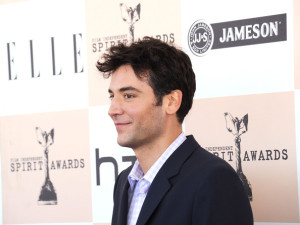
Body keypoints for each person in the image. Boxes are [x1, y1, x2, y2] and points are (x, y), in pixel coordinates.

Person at [96, 37, 253, 225]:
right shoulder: (124, 182)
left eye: (128, 96)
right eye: (112, 96)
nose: (112, 110)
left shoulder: (214, 181)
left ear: (171, 102)